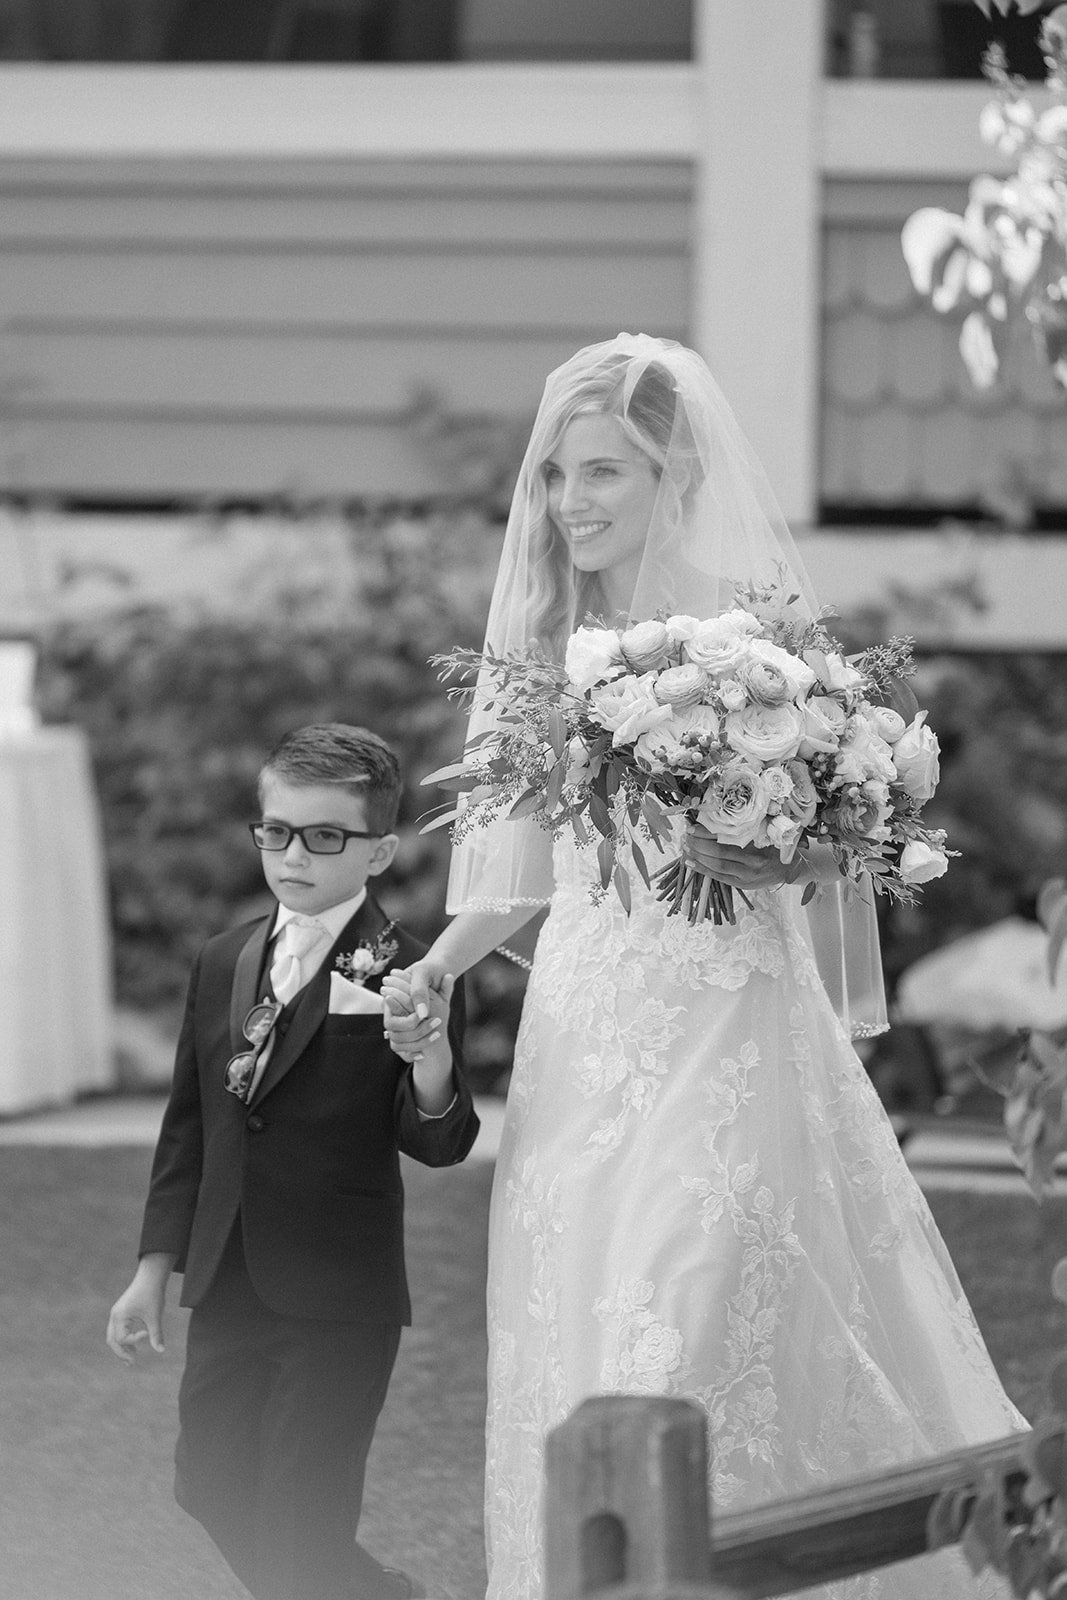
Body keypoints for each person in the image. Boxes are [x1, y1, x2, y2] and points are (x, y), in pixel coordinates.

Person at [383, 335, 1026, 1600]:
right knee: (589, 1323)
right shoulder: (534, 645)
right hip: (587, 1031)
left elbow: (835, 847)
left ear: (674, 475)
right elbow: (516, 875)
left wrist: (773, 852)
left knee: (684, 1309)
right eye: (559, 475)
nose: (572, 502)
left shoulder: (761, 647)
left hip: (731, 1022)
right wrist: (439, 967)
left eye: (604, 471)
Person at [106, 722, 479, 1600]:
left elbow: (439, 1140)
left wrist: (427, 1057)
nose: (293, 855)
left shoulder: (413, 971)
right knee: (207, 1484)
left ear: (381, 850)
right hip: (229, 1277)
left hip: (339, 1293)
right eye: (275, 831)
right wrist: (152, 1268)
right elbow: (189, 1126)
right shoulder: (224, 957)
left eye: (324, 837)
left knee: (302, 1518)